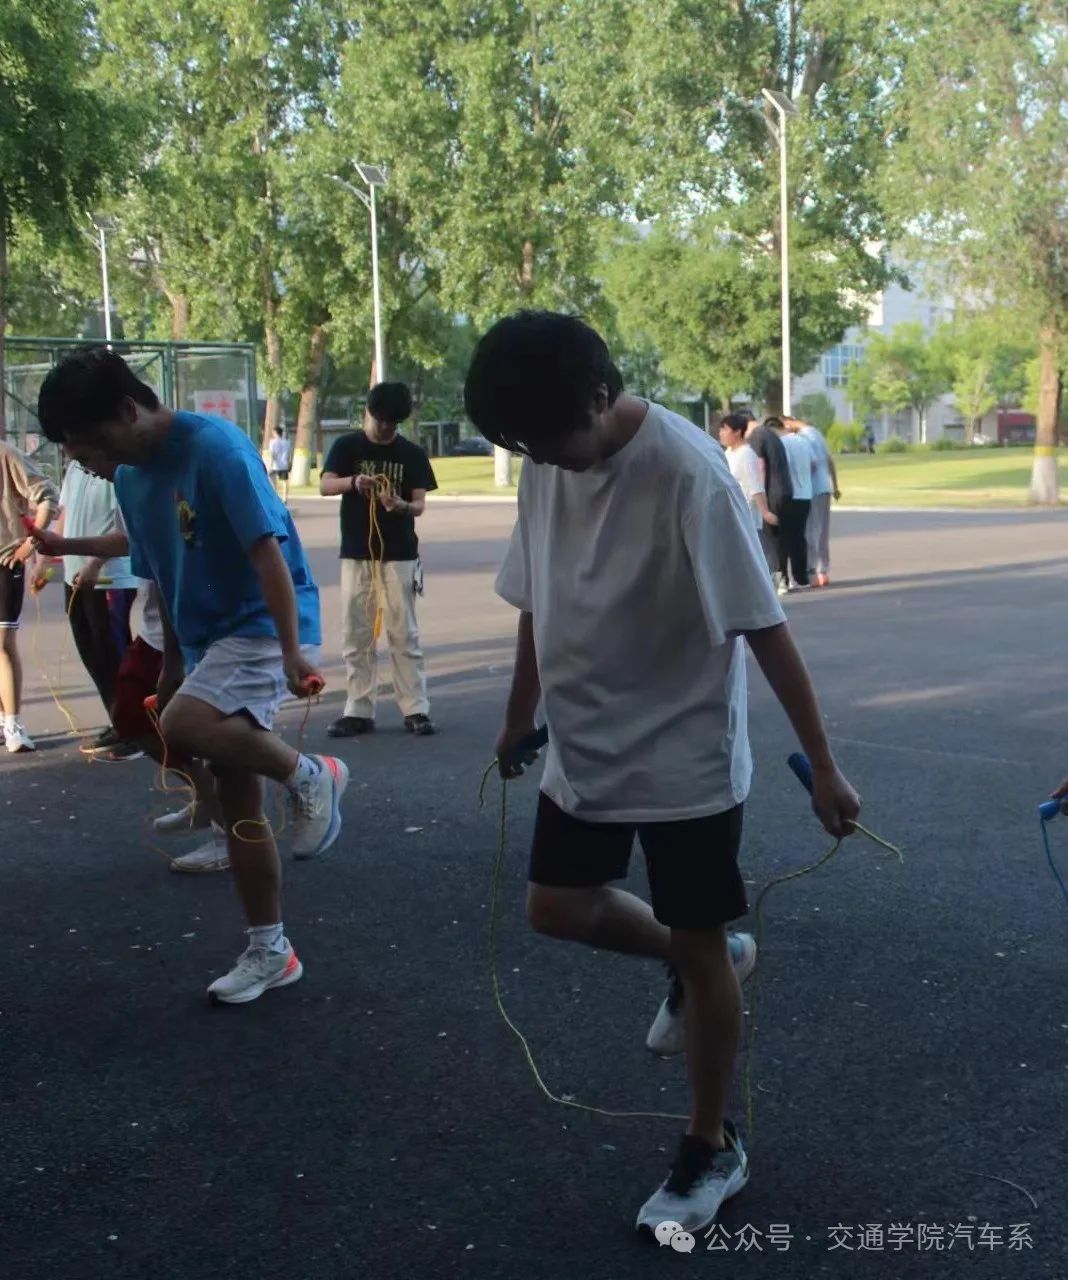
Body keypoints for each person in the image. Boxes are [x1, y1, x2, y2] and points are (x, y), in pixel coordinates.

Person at [464, 311, 861, 1237]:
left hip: (686, 756)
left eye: (544, 438)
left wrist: (825, 768)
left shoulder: (689, 474)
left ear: (600, 397)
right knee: (556, 908)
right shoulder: (545, 459)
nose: (538, 457)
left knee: (697, 934)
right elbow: (536, 600)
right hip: (584, 742)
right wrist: (520, 712)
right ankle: (699, 959)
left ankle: (710, 1143)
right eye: (522, 444)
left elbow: (765, 629)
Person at [37, 349, 349, 1004]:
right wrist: (175, 663)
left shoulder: (217, 450)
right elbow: (165, 575)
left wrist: (293, 653)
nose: (85, 463)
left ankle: (311, 773)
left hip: (263, 623)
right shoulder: (130, 479)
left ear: (128, 411)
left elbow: (268, 555)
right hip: (208, 637)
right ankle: (272, 949)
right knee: (237, 797)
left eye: (90, 446)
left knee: (182, 724)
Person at [30, 518, 229, 873]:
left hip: (198, 633)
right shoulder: (139, 490)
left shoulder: (181, 486)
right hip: (160, 632)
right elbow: (134, 540)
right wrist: (64, 546)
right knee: (132, 719)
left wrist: (174, 661)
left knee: (208, 734)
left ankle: (245, 817)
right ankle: (209, 800)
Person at [319, 381, 438, 738]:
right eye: (380, 419)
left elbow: (419, 504)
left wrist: (401, 505)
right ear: (369, 413)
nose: (385, 427)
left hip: (400, 554)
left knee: (404, 633)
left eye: (392, 422)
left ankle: (415, 708)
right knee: (357, 633)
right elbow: (325, 485)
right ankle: (358, 709)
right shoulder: (347, 446)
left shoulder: (412, 454)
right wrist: (354, 482)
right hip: (357, 553)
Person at [53, 459, 143, 760]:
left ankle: (136, 731)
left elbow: (126, 527)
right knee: (91, 652)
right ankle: (120, 721)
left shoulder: (113, 465)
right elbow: (65, 513)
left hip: (109, 577)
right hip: (74, 574)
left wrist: (95, 563)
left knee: (113, 651)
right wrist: (45, 558)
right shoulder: (75, 466)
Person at [0, 440, 58, 753]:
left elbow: (47, 495)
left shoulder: (6, 454)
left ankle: (13, 723)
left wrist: (31, 543)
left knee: (2, 645)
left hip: (5, 559)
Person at [743, 411, 793, 598]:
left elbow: (760, 467)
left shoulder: (757, 436)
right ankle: (783, 578)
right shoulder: (771, 434)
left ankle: (777, 581)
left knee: (770, 541)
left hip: (771, 492)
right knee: (780, 540)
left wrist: (760, 497)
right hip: (785, 490)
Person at [789, 418, 840, 588]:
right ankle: (823, 570)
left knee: (811, 530)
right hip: (825, 486)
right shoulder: (818, 435)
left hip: (812, 489)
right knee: (822, 530)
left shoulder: (803, 438)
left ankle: (812, 570)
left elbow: (812, 465)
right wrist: (835, 485)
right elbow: (830, 461)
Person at [767, 416, 814, 591]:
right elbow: (814, 464)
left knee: (782, 539)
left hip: (788, 494)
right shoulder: (803, 441)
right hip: (805, 493)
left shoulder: (780, 443)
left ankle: (783, 579)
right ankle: (801, 577)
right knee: (799, 537)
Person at [717, 414, 778, 545]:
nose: (721, 433)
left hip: (745, 514)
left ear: (738, 432)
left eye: (725, 429)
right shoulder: (728, 453)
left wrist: (765, 512)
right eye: (721, 429)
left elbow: (756, 486)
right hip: (730, 513)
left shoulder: (746, 454)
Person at [268, 426, 293, 504]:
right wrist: (290, 463)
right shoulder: (287, 442)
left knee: (273, 481)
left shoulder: (272, 442)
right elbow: (289, 454)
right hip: (284, 464)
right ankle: (284, 498)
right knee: (284, 482)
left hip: (275, 465)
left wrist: (270, 465)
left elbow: (272, 454)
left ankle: (275, 496)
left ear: (275, 432)